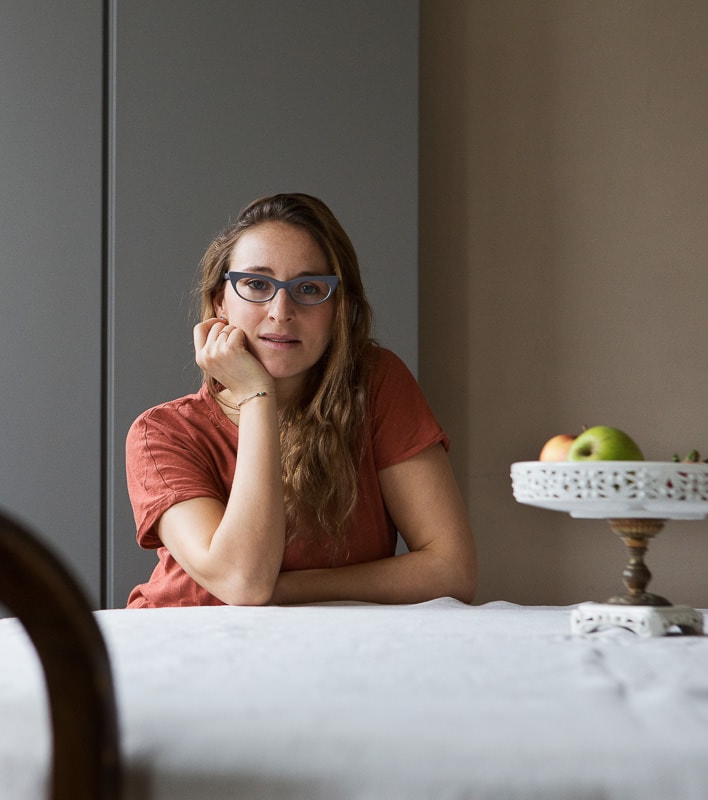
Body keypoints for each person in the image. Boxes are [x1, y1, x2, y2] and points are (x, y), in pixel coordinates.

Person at [125, 193, 476, 608]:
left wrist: (284, 589)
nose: (281, 310)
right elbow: (243, 582)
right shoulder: (162, 433)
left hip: (330, 647)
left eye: (309, 288)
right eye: (256, 284)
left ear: (338, 308)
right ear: (221, 300)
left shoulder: (375, 384)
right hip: (183, 648)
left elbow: (452, 571)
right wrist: (258, 397)